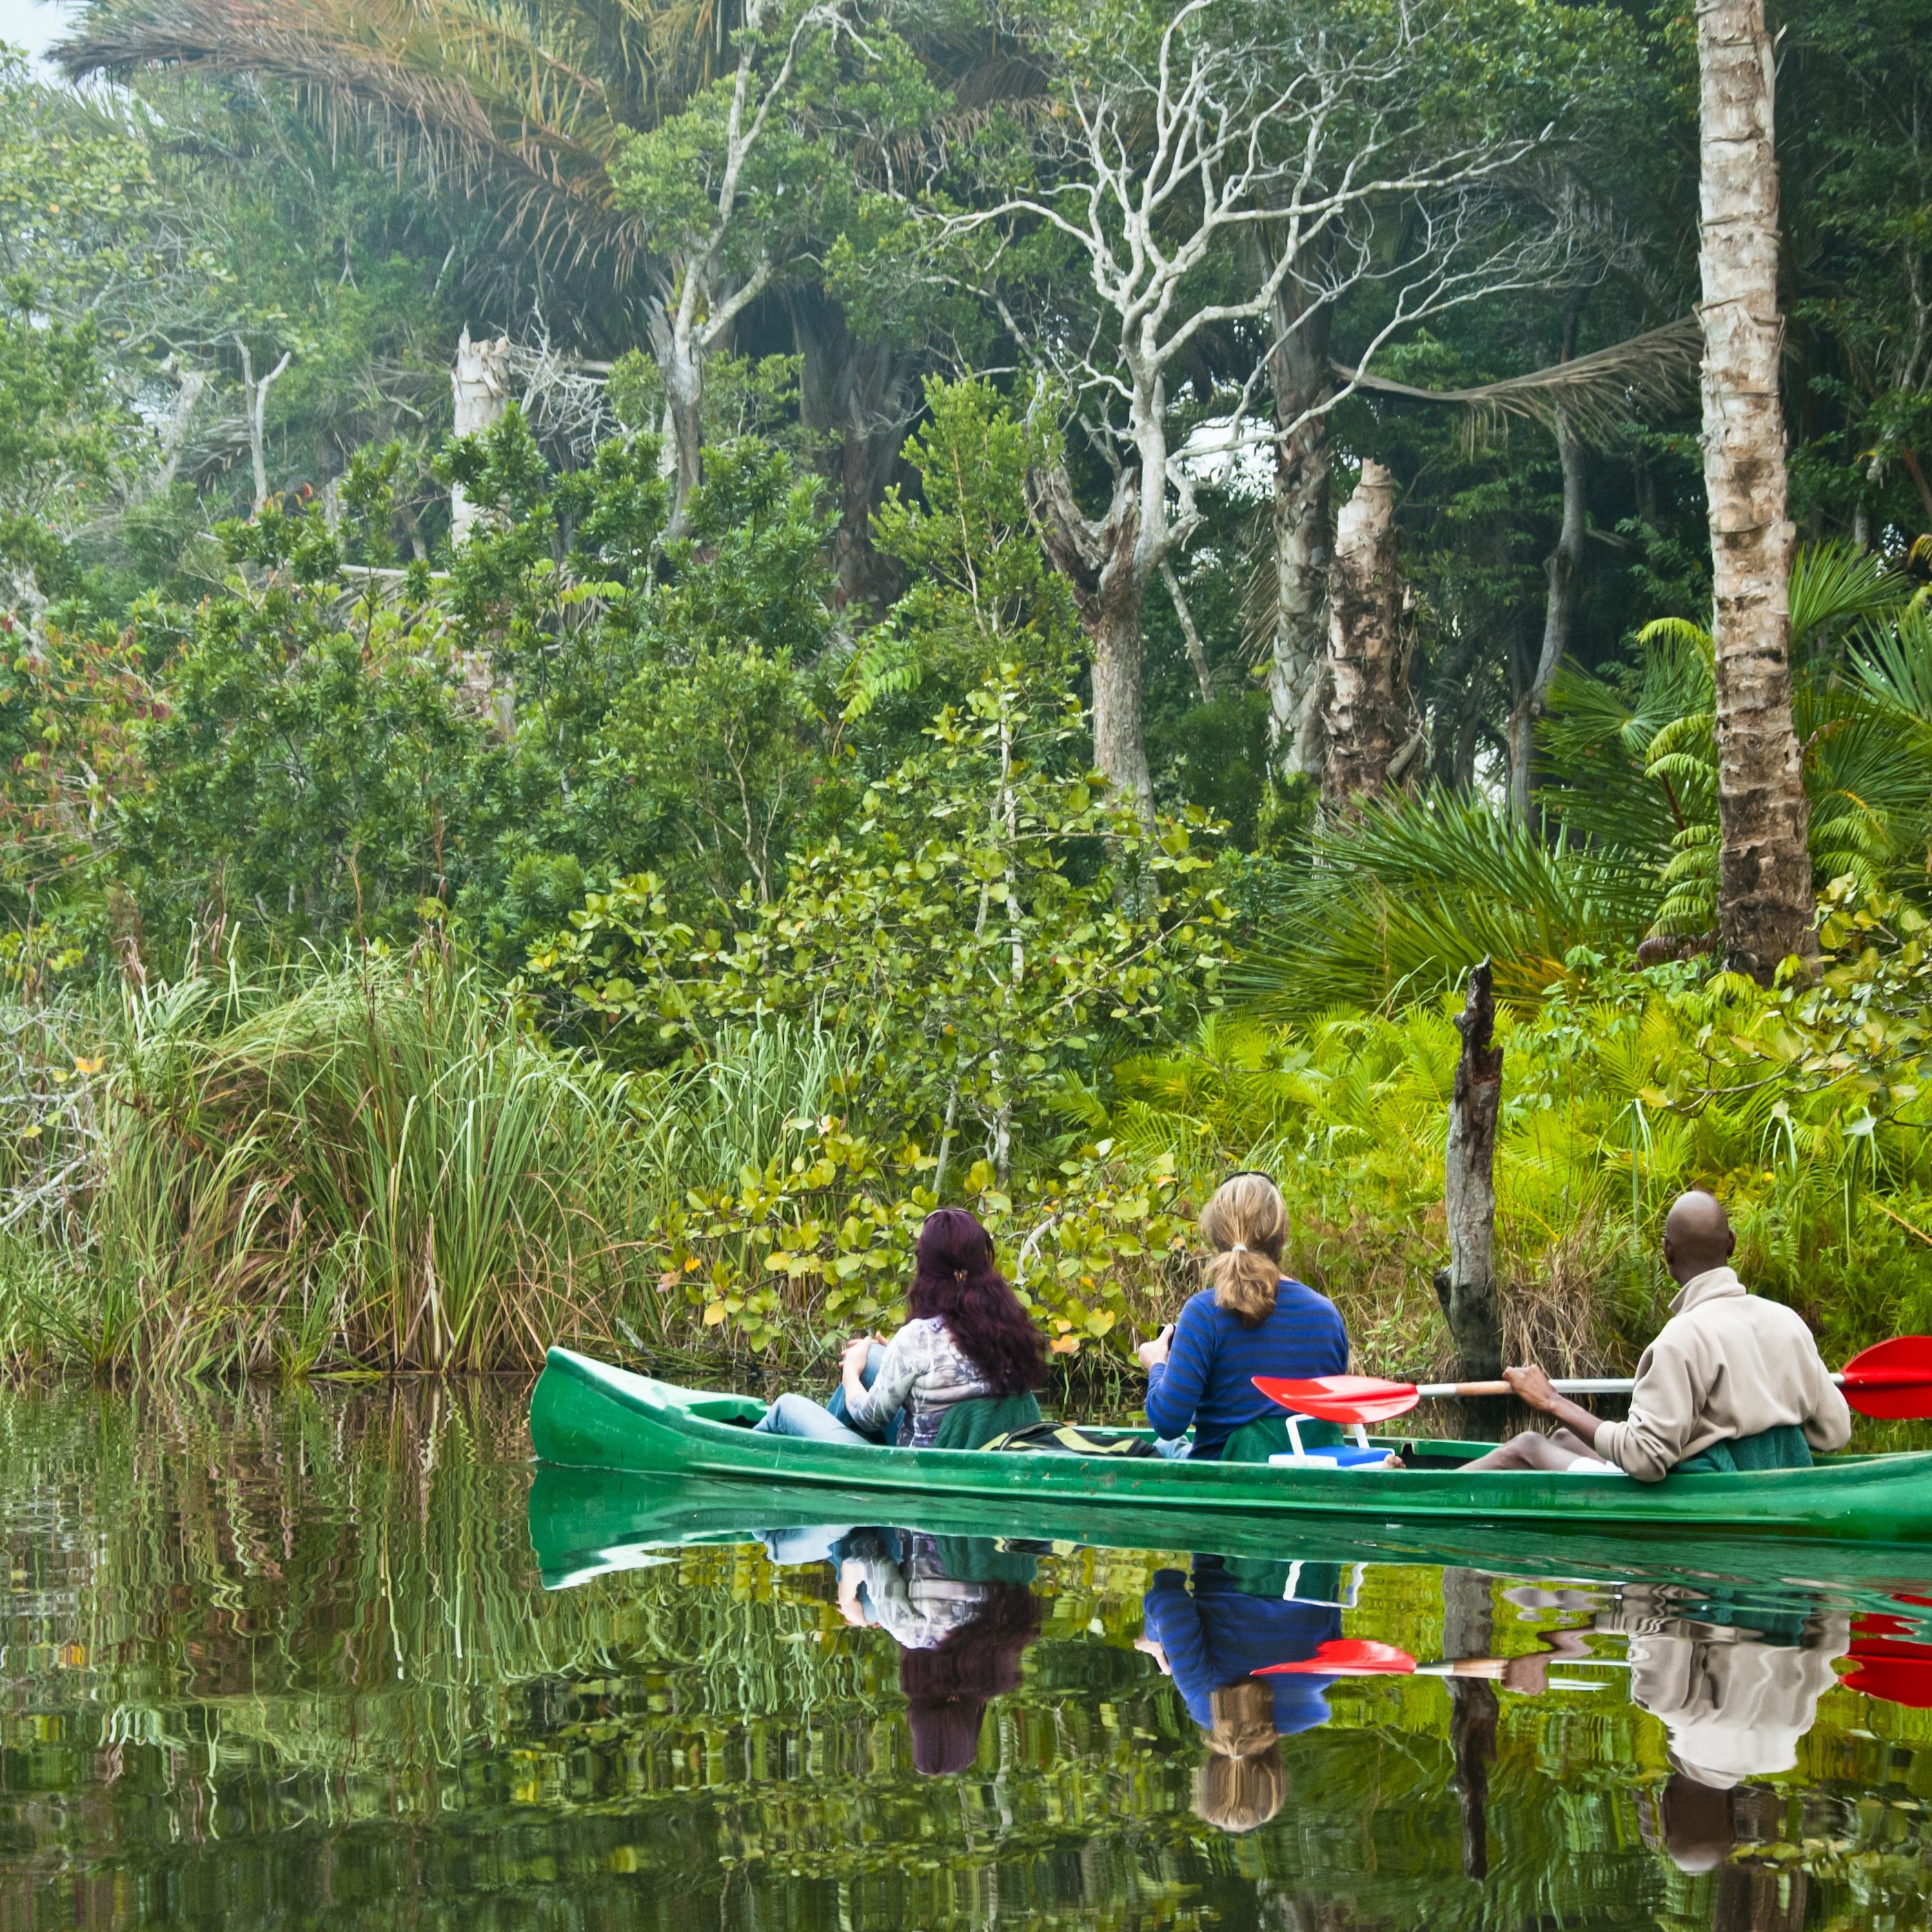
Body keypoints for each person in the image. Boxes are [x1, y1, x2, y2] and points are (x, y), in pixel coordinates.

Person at [1463, 1190, 1851, 1479]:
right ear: (1731, 1242)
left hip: (1709, 1489)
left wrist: (1552, 1401)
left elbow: (1646, 1461)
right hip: (1775, 1480)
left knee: (1527, 1446)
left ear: (1667, 1251)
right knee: (1565, 1441)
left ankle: (1406, 1488)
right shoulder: (1787, 1320)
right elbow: (1834, 1433)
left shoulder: (1680, 1340)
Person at [752, 1207, 1046, 1448]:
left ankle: (823, 1456)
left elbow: (871, 1418)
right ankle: (828, 1437)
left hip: (921, 1466)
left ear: (929, 1269)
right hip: (977, 1446)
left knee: (784, 1406)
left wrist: (851, 1374)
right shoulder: (1007, 1329)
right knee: (877, 1356)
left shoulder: (917, 1338)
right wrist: (893, 1353)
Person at [1135, 1172, 1349, 1460]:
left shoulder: (1203, 1313)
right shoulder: (1326, 1315)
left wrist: (1157, 1364)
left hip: (1226, 1483)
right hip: (1311, 1474)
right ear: (1283, 1235)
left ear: (1215, 1236)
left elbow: (1169, 1422)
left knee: (1160, 1448)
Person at [1136, 1554, 1341, 1832]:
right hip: (1232, 1545)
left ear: (1279, 1773)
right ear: (1209, 1772)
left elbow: (1332, 1604)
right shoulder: (1204, 1699)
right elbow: (1169, 1598)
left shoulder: (1325, 1676)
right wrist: (1154, 1636)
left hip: (1318, 1553)